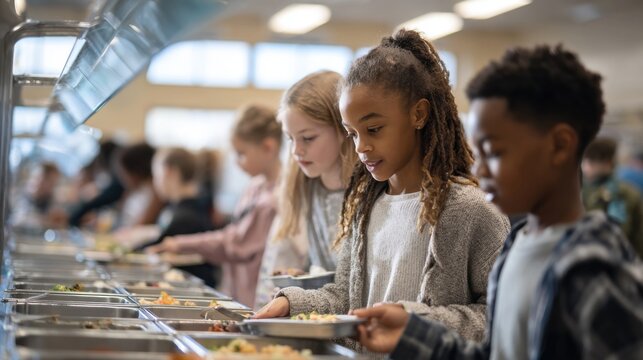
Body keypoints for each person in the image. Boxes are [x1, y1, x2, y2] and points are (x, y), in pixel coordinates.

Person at [352, 44, 643, 359]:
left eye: (495, 152)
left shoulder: (595, 272)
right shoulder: (516, 246)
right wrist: (414, 334)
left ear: (560, 146)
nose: (479, 169)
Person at [255, 29, 509, 345]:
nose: (362, 147)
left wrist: (416, 326)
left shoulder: (471, 210)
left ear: (418, 114)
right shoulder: (364, 207)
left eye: (374, 129)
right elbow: (344, 296)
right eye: (353, 134)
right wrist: (293, 303)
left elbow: (501, 317)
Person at [147, 104, 282, 306]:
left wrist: (180, 243)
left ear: (268, 148)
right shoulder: (255, 186)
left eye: (241, 153)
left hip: (258, 297)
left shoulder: (277, 197)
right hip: (237, 292)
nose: (237, 162)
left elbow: (235, 243)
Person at [254, 70, 358, 308]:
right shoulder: (307, 187)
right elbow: (320, 264)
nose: (296, 151)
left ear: (343, 130)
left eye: (308, 138)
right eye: (291, 139)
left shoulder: (366, 192)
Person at [137, 147, 221, 287]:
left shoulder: (186, 216)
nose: (155, 183)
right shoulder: (180, 209)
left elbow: (157, 245)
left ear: (169, 172)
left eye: (157, 176)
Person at [582, 137, 643, 256]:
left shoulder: (623, 193)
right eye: (585, 161)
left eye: (592, 162)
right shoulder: (582, 189)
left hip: (618, 259)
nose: (586, 166)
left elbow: (629, 232)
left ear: (608, 163)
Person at [114, 142, 163, 229]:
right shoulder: (132, 190)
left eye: (125, 173)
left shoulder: (156, 193)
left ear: (136, 171)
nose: (123, 178)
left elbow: (141, 225)